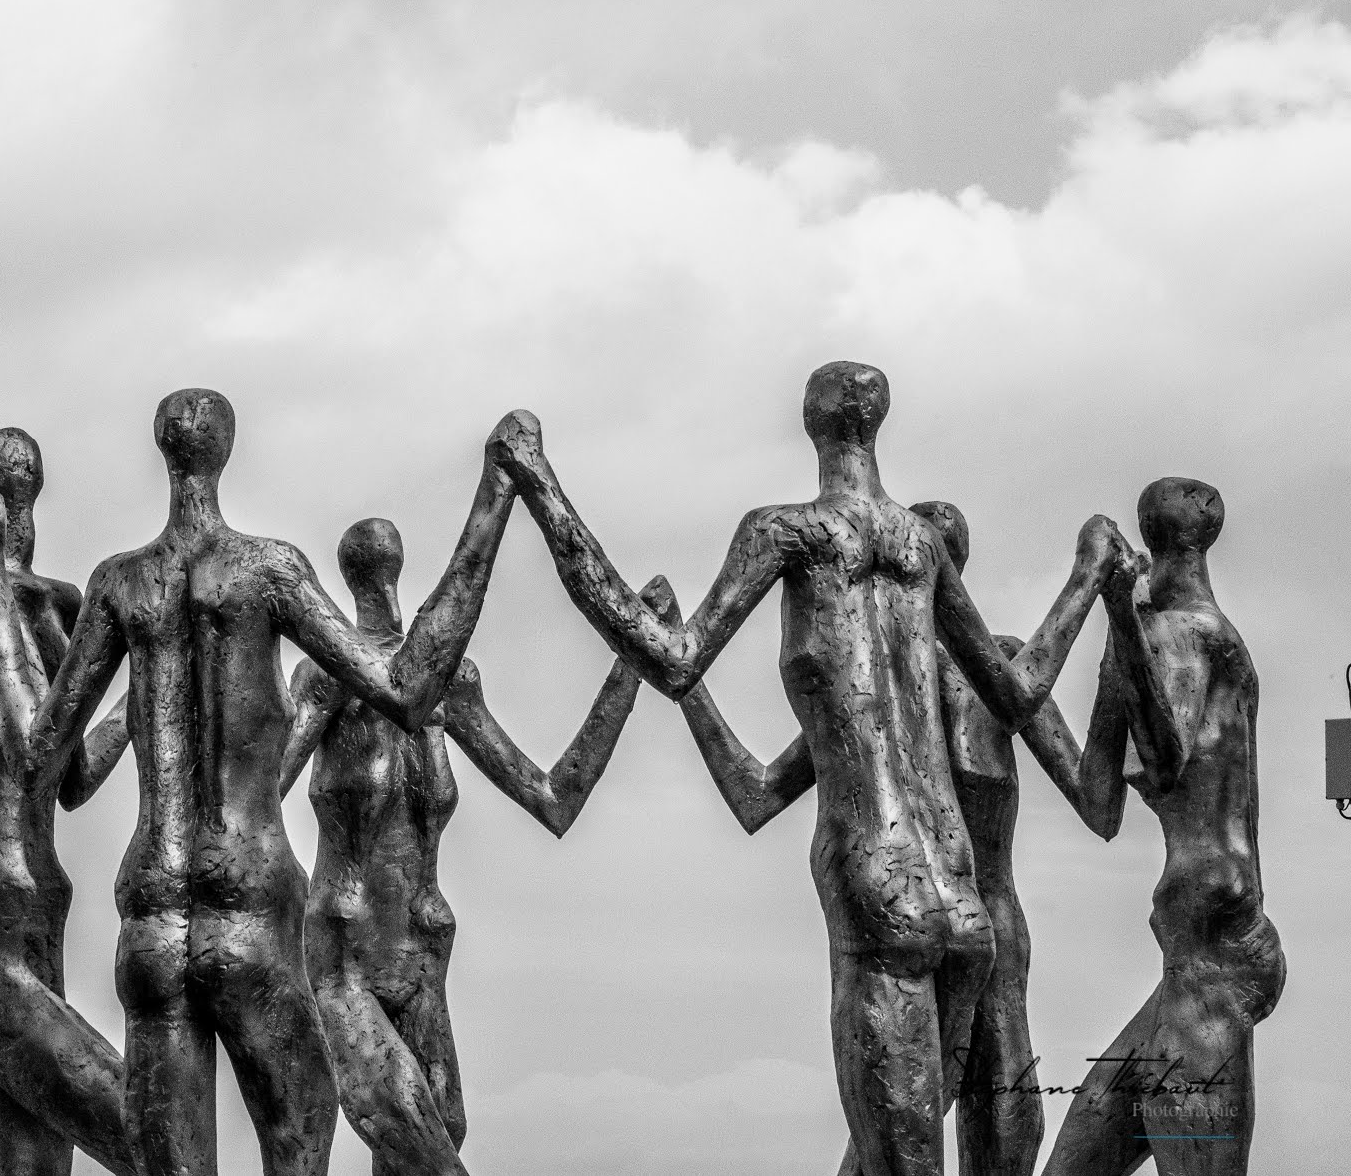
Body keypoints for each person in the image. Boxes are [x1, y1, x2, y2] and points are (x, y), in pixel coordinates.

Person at [483, 361, 1128, 1176]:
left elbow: (674, 659)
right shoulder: (922, 545)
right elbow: (1022, 691)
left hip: (881, 891)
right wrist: (1089, 575)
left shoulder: (787, 532)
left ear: (809, 421)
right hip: (965, 904)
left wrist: (541, 489)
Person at [0, 389, 517, 1176]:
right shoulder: (270, 569)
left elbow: (41, 759)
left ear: (164, 454)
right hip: (250, 914)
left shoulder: (120, 583)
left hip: (151, 923)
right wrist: (496, 498)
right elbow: (404, 688)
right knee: (299, 1147)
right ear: (224, 453)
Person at [663, 499, 1137, 1176]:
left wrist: (1122, 643)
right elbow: (757, 793)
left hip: (991, 938)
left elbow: (1099, 805)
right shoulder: (875, 705)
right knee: (897, 1136)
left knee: (1008, 1134)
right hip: (912, 931)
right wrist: (687, 689)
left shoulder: (1003, 672)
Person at [277, 517, 645, 1176]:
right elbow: (256, 792)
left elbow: (554, 797)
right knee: (417, 1138)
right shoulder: (327, 676)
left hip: (423, 953)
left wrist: (631, 666)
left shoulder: (451, 684)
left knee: (444, 1128)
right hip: (344, 952)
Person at [1041, 478, 1283, 1176]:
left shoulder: (1187, 633)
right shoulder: (1153, 637)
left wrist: (1119, 610)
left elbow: (1166, 758)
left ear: (1150, 534)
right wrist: (1027, 708)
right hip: (1188, 960)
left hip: (1215, 954)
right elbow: (1100, 805)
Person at [0, 427, 135, 1176]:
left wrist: (139, 702)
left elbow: (54, 771)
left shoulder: (42, 604)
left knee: (114, 1140)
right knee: (57, 1152)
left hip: (6, 912)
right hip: (5, 913)